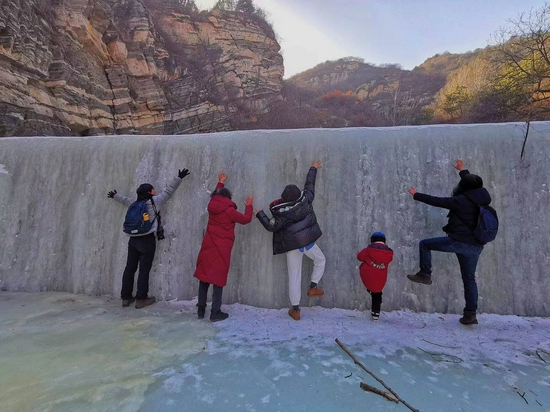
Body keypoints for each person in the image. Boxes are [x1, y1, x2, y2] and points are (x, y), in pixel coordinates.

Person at [407, 159, 491, 325]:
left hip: (459, 242)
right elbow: (470, 184)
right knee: (469, 279)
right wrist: (462, 170)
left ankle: (425, 274)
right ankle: (470, 314)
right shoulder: (482, 197)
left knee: (425, 244)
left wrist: (416, 195)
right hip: (475, 246)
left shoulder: (460, 201)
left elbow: (437, 201)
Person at [108, 168, 190, 309]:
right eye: (152, 189)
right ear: (150, 192)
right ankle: (141, 299)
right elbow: (169, 192)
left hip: (133, 239)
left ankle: (126, 298)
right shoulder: (154, 202)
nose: (155, 191)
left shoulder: (134, 203)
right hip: (147, 239)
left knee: (130, 268)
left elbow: (124, 199)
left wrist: (115, 195)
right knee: (144, 269)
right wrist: (179, 177)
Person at [256, 160, 326, 321]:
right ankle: (313, 286)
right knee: (321, 260)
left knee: (294, 275)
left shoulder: (281, 213)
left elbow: (271, 227)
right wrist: (313, 168)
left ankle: (295, 309)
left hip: (293, 246)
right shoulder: (306, 199)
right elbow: (310, 186)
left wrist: (260, 214)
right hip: (307, 242)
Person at [194, 173, 254, 322]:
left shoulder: (212, 206)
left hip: (208, 246)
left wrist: (220, 183)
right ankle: (215, 312)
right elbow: (246, 219)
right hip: (221, 249)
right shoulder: (230, 211)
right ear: (229, 198)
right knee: (218, 280)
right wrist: (249, 206)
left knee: (204, 278)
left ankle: (201, 310)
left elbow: (216, 197)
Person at [357, 231, 394, 321]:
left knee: (372, 289)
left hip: (367, 276)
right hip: (380, 278)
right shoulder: (389, 253)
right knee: (377, 293)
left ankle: (370, 291)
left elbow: (359, 257)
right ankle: (376, 313)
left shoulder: (368, 250)